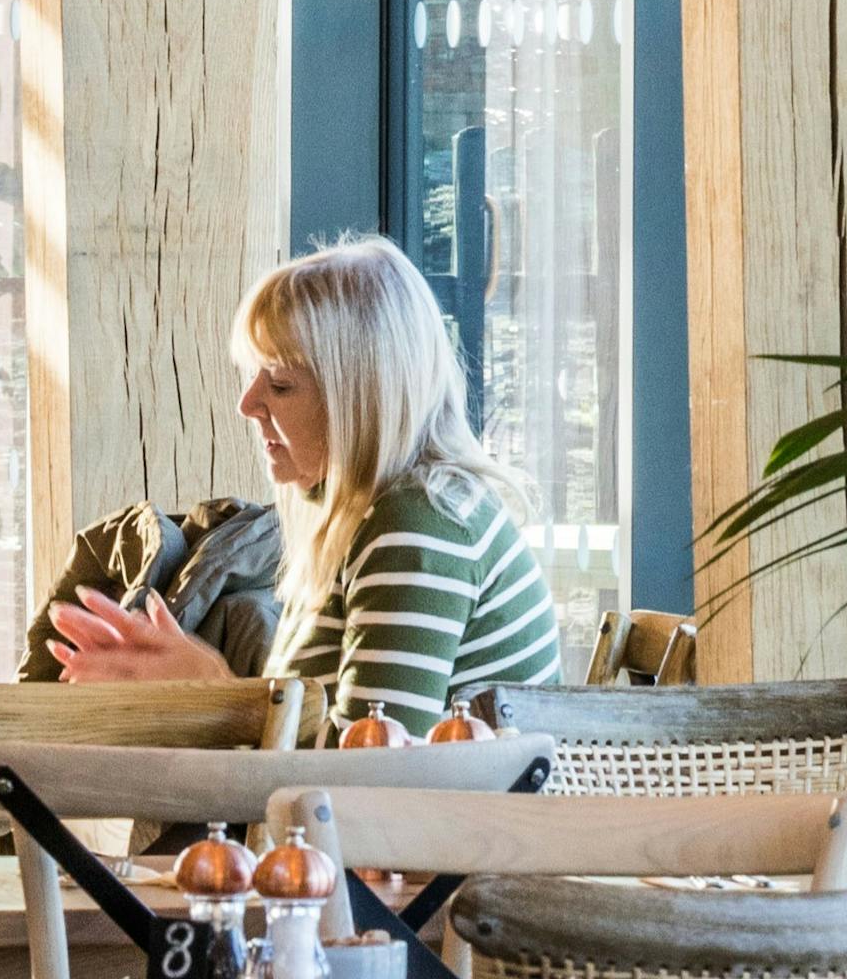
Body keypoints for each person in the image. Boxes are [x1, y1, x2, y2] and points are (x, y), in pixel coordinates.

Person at [43, 236, 561, 731]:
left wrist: (213, 692)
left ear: (362, 396)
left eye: (281, 384)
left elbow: (368, 770)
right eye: (251, 376)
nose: (248, 404)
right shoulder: (369, 516)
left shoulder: (416, 526)